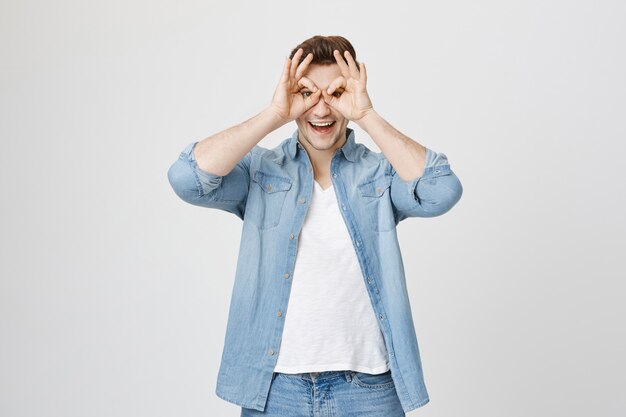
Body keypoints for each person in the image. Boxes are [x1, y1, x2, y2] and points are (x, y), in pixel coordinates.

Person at [167, 35, 463, 417]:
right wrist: (275, 114)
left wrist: (367, 115)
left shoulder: (380, 173)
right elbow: (186, 178)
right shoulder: (261, 170)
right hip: (275, 389)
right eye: (308, 93)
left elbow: (443, 190)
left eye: (336, 92)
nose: (322, 108)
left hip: (368, 389)